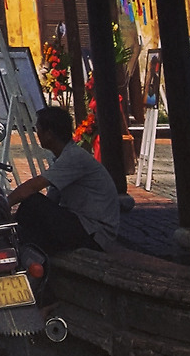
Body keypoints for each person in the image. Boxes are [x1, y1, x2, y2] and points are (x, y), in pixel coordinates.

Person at [8, 104, 121, 254]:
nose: (37, 134)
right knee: (32, 220)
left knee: (33, 201)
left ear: (49, 134)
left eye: (39, 130)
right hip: (83, 224)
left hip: (95, 233)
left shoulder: (73, 157)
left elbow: (32, 187)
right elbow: (52, 200)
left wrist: (3, 204)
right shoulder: (64, 157)